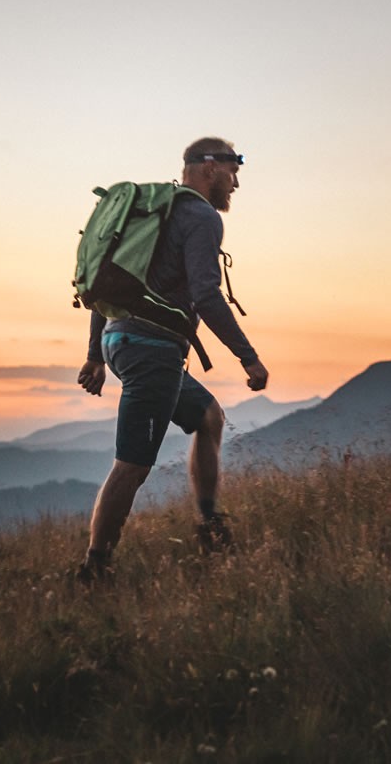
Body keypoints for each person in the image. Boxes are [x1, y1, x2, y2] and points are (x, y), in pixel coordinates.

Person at [76, 137, 269, 581]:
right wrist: (248, 357)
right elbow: (206, 295)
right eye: (232, 170)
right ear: (207, 168)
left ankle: (208, 523)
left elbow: (112, 282)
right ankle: (94, 568)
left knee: (208, 417)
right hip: (151, 350)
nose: (236, 182)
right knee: (132, 466)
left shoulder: (155, 213)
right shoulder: (199, 216)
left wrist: (96, 355)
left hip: (123, 340)